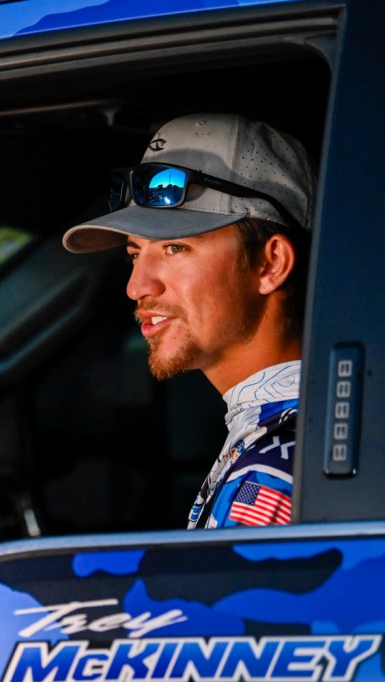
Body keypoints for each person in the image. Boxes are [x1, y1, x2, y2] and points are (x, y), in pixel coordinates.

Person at [63, 112, 314, 529]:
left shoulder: (271, 478)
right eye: (134, 253)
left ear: (271, 264)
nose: (137, 286)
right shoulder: (299, 431)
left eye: (175, 249)